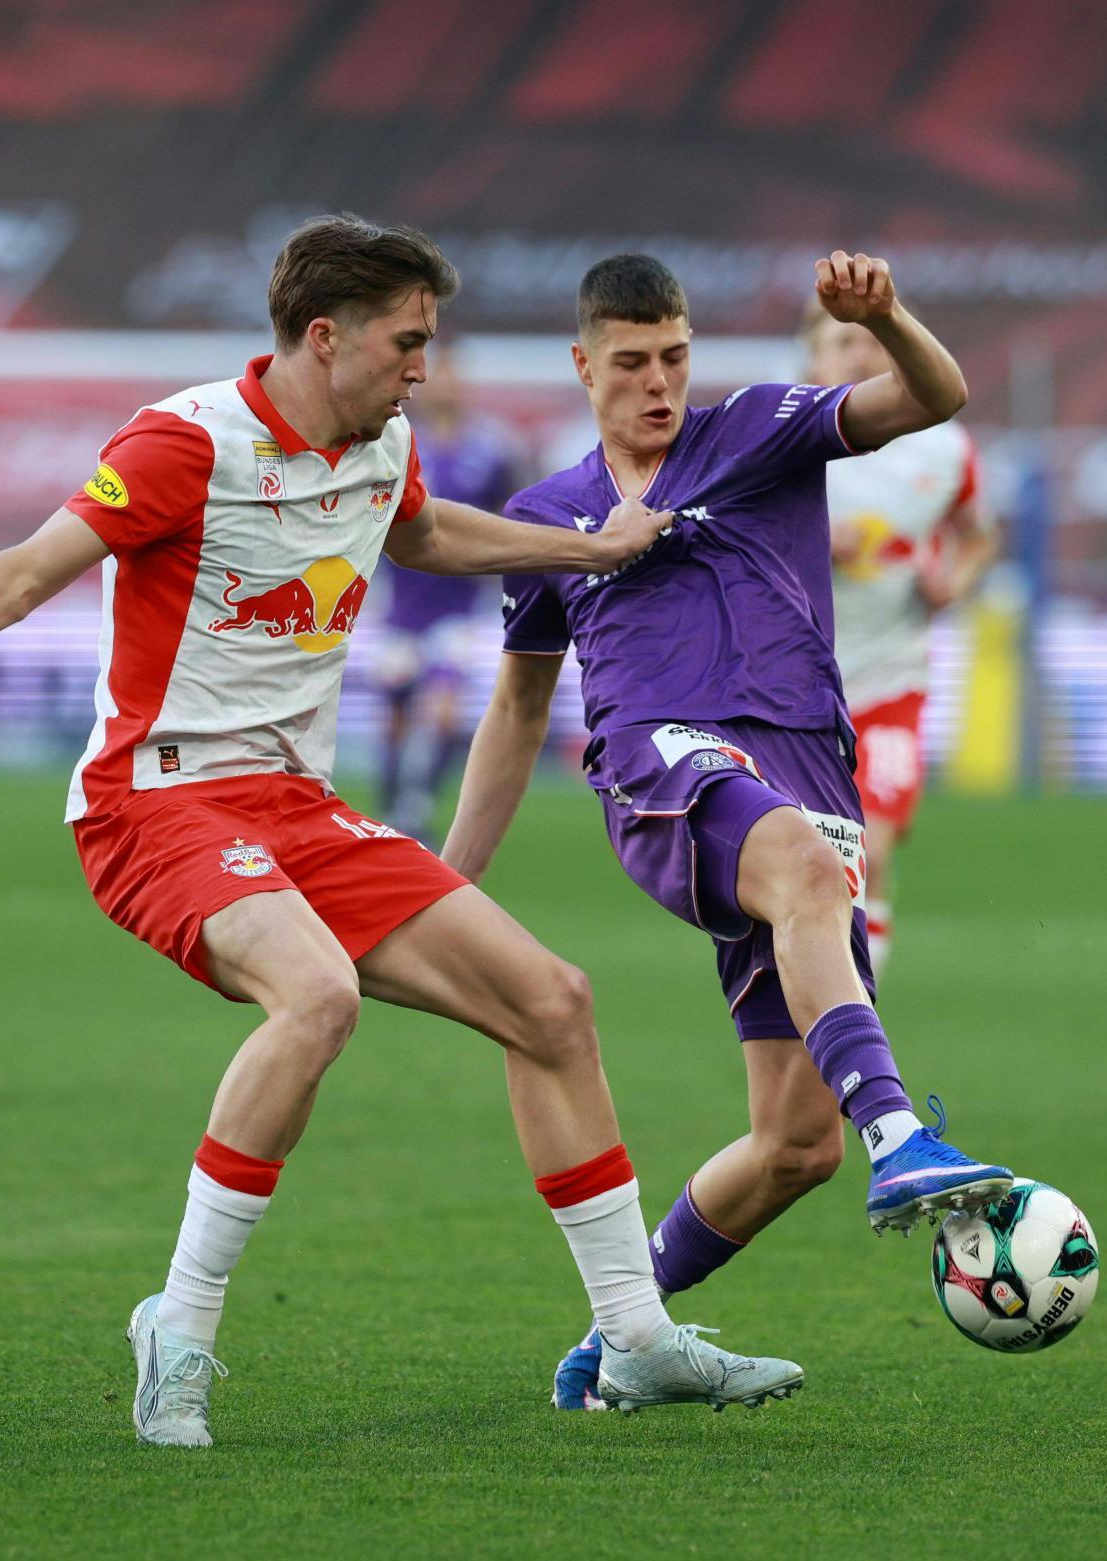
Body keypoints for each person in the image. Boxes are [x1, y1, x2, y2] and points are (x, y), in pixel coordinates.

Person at [0, 216, 804, 1446]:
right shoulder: (182, 442)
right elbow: (23, 571)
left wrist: (585, 551)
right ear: (325, 338)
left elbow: (423, 533)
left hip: (295, 806)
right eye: (406, 343)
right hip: (154, 800)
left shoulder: (383, 444)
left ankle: (634, 1339)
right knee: (316, 996)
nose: (423, 367)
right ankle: (179, 1323)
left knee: (551, 1002)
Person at [437, 251, 1015, 1411]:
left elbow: (935, 396)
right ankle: (899, 1136)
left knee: (794, 1144)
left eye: (673, 357)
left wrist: (886, 316)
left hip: (805, 773)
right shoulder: (545, 518)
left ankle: (619, 1341)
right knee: (802, 871)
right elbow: (516, 709)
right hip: (662, 765)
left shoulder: (759, 429)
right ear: (582, 363)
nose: (656, 382)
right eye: (631, 362)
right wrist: (442, 885)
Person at [810, 306, 999, 980]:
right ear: (813, 359)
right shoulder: (783, 445)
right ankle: (813, 1000)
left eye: (869, 340)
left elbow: (979, 535)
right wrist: (807, 543)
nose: (858, 355)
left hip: (892, 681)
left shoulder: (943, 448)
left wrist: (953, 581)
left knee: (871, 848)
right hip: (796, 691)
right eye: (841, 342)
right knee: (811, 865)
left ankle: (858, 1004)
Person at [372, 350, 516, 840]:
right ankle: (391, 807)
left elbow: (509, 514)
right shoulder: (397, 441)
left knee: (444, 711)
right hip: (400, 606)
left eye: (453, 378)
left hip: (457, 607)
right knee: (395, 712)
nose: (445, 388)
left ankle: (417, 807)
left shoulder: (490, 451)